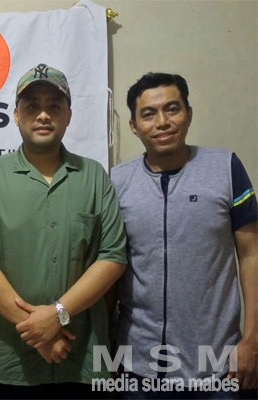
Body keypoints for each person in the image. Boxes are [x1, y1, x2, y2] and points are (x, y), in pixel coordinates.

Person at [0, 63, 127, 399]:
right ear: (16, 115)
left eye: (54, 106)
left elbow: (113, 258)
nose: (43, 115)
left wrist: (57, 315)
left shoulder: (94, 177)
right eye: (32, 106)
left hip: (82, 359)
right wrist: (38, 331)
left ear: (68, 116)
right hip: (11, 361)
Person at [111, 72, 257, 398]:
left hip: (216, 365)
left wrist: (252, 340)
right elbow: (110, 267)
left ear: (188, 114)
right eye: (149, 114)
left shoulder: (226, 168)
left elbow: (252, 255)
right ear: (134, 126)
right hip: (138, 366)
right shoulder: (117, 182)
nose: (162, 122)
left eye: (172, 109)